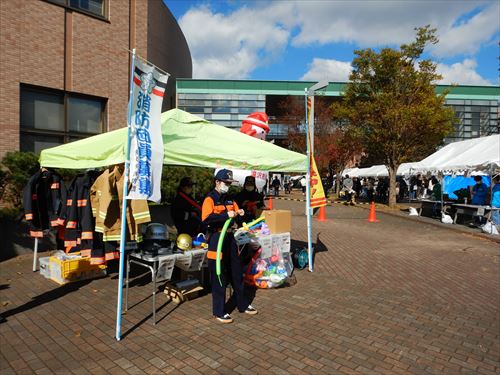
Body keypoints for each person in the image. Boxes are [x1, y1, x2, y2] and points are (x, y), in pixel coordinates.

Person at [202, 169, 258, 324]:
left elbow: (238, 214)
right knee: (219, 275)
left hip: (230, 238)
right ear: (217, 182)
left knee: (236, 271)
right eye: (225, 183)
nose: (227, 186)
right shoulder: (210, 199)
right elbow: (206, 220)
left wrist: (241, 213)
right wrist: (225, 216)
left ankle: (243, 304)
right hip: (216, 239)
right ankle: (219, 311)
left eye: (229, 183)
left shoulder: (230, 199)